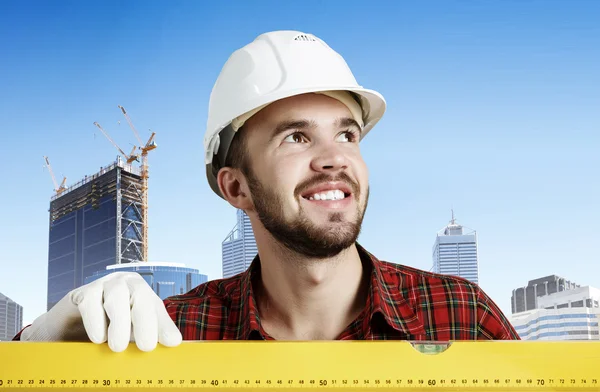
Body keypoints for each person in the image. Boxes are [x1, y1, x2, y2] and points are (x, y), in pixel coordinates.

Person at [14, 30, 519, 352]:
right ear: (236, 188)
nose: (334, 158)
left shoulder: (460, 315)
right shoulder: (173, 334)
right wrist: (36, 345)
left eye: (347, 134)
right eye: (296, 138)